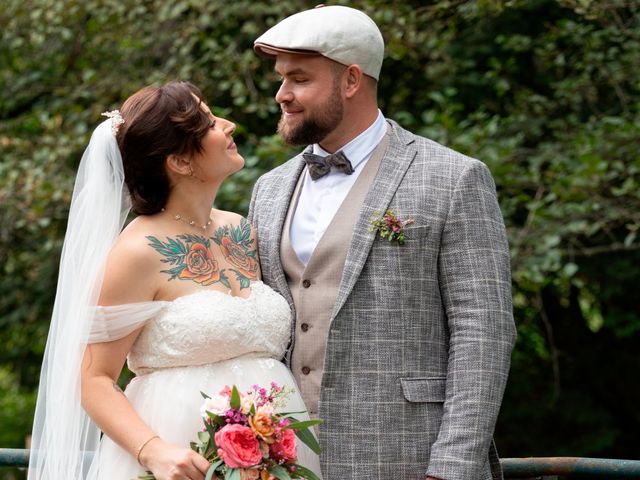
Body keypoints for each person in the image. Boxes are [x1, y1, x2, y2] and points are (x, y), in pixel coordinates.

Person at [249, 5, 517, 480]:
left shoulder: (453, 178)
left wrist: (452, 466)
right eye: (281, 78)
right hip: (283, 460)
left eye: (299, 79)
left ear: (351, 80)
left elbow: (484, 333)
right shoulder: (269, 189)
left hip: (406, 456)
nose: (281, 95)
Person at [28, 81, 321, 480]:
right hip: (178, 454)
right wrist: (154, 452)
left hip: (273, 452)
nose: (229, 124)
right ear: (181, 162)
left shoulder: (242, 231)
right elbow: (93, 378)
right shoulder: (137, 252)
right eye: (210, 122)